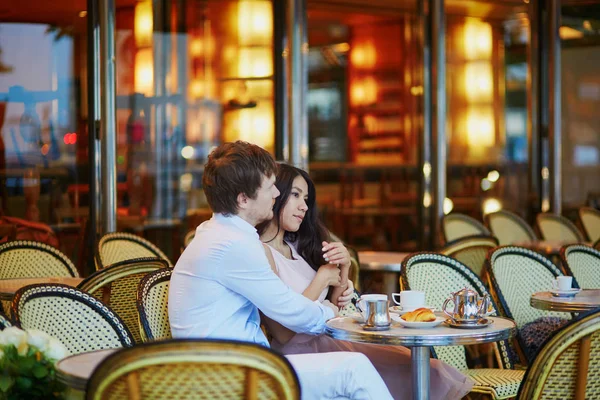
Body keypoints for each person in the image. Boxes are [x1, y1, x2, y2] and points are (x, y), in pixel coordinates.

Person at [169, 141, 393, 399]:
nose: (277, 194)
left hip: (233, 367)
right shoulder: (234, 245)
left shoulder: (217, 233)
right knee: (354, 370)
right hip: (230, 378)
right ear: (243, 199)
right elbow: (294, 314)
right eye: (269, 187)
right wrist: (331, 309)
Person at [257, 163, 474, 399]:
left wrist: (344, 265)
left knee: (422, 366)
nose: (304, 206)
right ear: (274, 195)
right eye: (296, 195)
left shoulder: (296, 246)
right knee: (413, 370)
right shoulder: (261, 253)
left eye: (306, 198)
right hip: (301, 356)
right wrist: (320, 280)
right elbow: (283, 333)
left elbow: (335, 304)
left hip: (331, 340)